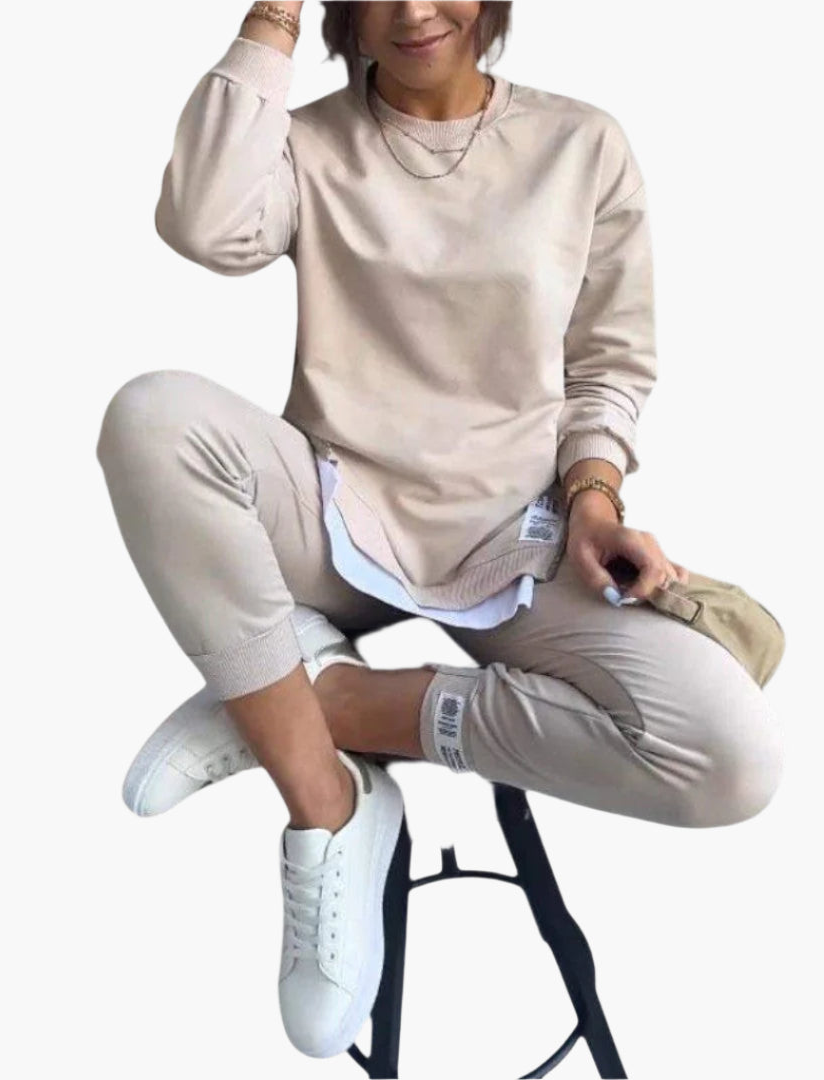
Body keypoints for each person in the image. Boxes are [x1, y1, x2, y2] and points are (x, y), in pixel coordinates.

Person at [95, 0, 784, 1060]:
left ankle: (305, 701)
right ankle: (326, 800)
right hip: (333, 517)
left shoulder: (582, 143)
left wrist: (594, 497)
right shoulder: (307, 145)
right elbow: (202, 223)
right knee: (151, 418)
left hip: (516, 540)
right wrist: (272, 16)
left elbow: (609, 363)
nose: (415, 10)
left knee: (730, 760)